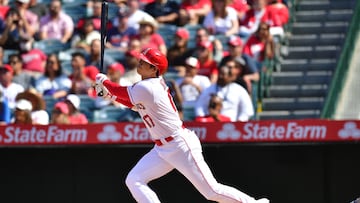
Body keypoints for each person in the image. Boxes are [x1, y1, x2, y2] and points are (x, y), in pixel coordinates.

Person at [94, 47, 269, 203]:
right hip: (162, 149)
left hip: (180, 144)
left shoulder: (149, 87)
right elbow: (131, 103)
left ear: (154, 69)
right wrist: (109, 96)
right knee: (134, 179)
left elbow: (121, 91)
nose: (139, 63)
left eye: (144, 62)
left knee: (212, 191)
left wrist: (104, 82)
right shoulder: (146, 87)